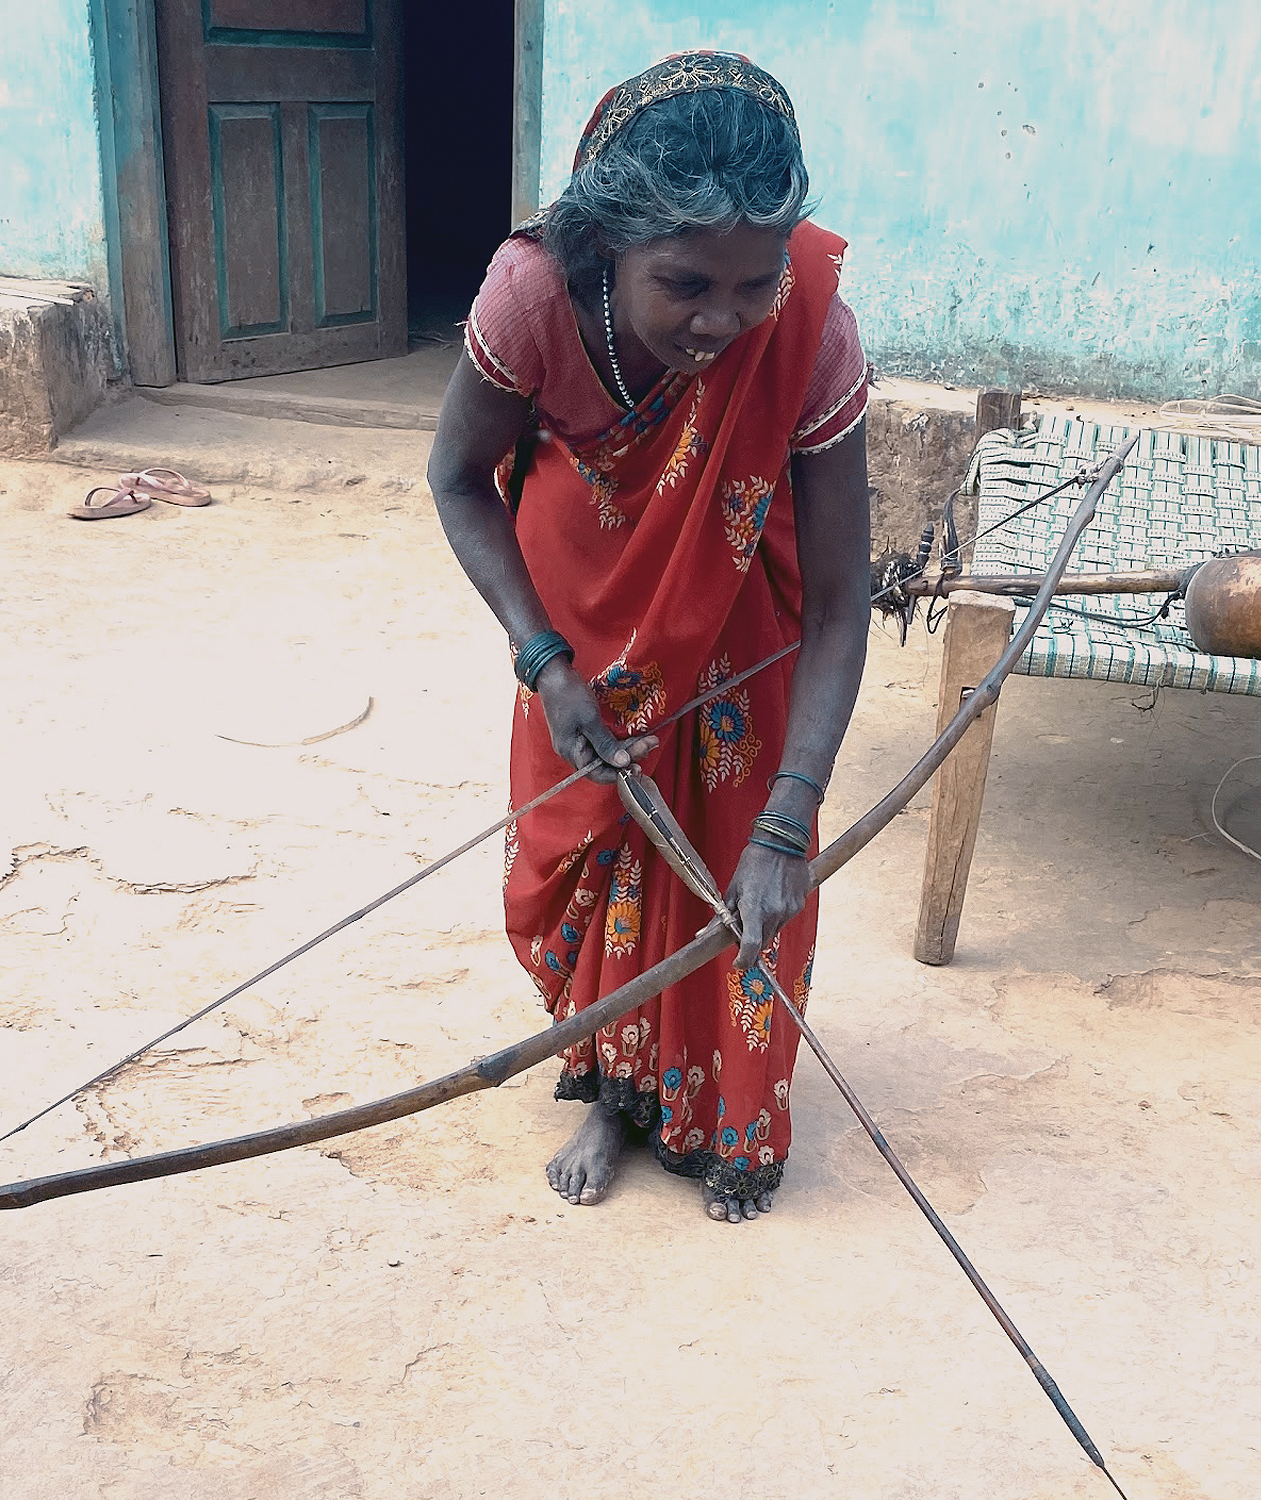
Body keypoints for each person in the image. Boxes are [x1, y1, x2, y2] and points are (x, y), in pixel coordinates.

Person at [427, 52, 872, 1225]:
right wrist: (540, 658)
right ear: (604, 244)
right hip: (573, 620)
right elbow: (457, 480)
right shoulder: (527, 299)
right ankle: (608, 1090)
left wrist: (790, 819)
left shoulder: (811, 333)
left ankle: (707, 1106)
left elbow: (838, 604)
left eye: (754, 284)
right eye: (682, 283)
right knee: (595, 853)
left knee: (733, 866)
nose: (721, 323)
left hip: (739, 626)